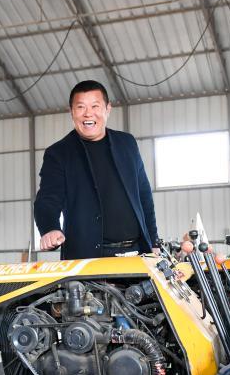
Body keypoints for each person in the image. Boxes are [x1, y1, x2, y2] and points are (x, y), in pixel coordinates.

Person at [34, 80, 159, 260]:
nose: (88, 113)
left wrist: (153, 241)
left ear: (107, 109)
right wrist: (50, 228)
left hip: (138, 252)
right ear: (71, 112)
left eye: (95, 106)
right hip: (88, 258)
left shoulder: (127, 143)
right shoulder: (59, 153)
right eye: (81, 107)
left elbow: (144, 195)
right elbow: (47, 199)